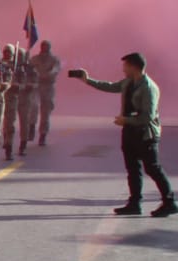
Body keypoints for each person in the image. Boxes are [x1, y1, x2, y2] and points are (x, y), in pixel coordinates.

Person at [69, 54, 176, 217]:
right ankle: (134, 203)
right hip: (129, 131)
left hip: (146, 133)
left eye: (125, 65)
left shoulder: (148, 88)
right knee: (132, 169)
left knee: (152, 168)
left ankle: (169, 202)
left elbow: (147, 117)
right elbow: (110, 86)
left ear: (134, 66)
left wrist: (126, 120)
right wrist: (87, 80)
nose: (123, 68)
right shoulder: (128, 82)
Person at [31, 40, 62, 147]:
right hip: (36, 85)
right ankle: (31, 125)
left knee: (46, 111)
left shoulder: (54, 59)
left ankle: (43, 134)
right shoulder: (35, 59)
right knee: (33, 106)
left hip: (48, 86)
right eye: (43, 46)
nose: (44, 48)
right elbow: (29, 69)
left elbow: (56, 69)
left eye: (46, 46)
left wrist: (49, 73)